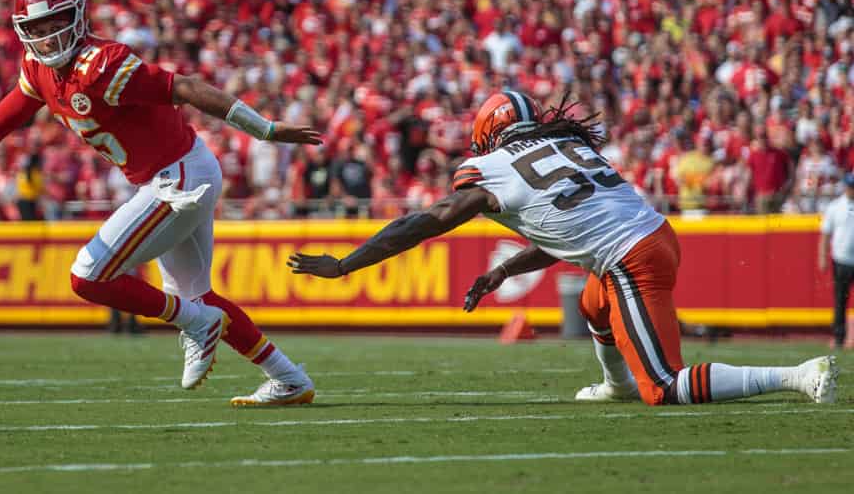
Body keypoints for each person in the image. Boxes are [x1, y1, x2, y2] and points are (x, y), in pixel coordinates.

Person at [289, 90, 840, 406]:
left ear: (487, 132)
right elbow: (574, 226)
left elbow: (428, 222)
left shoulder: (490, 167)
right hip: (652, 235)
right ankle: (614, 384)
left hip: (630, 254)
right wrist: (507, 269)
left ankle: (796, 375)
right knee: (592, 303)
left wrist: (346, 264)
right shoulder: (566, 146)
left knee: (665, 387)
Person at [0, 0, 319, 406]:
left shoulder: (104, 65)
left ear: (78, 15)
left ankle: (196, 322)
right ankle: (287, 378)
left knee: (88, 275)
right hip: (172, 176)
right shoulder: (38, 69)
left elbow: (186, 88)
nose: (47, 36)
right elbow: (3, 118)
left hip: (179, 177)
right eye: (36, 29)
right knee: (196, 296)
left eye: (55, 21)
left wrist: (263, 129)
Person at [818, 173, 854, 350]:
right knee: (840, 300)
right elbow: (826, 234)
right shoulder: (835, 207)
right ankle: (839, 337)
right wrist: (822, 256)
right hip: (841, 259)